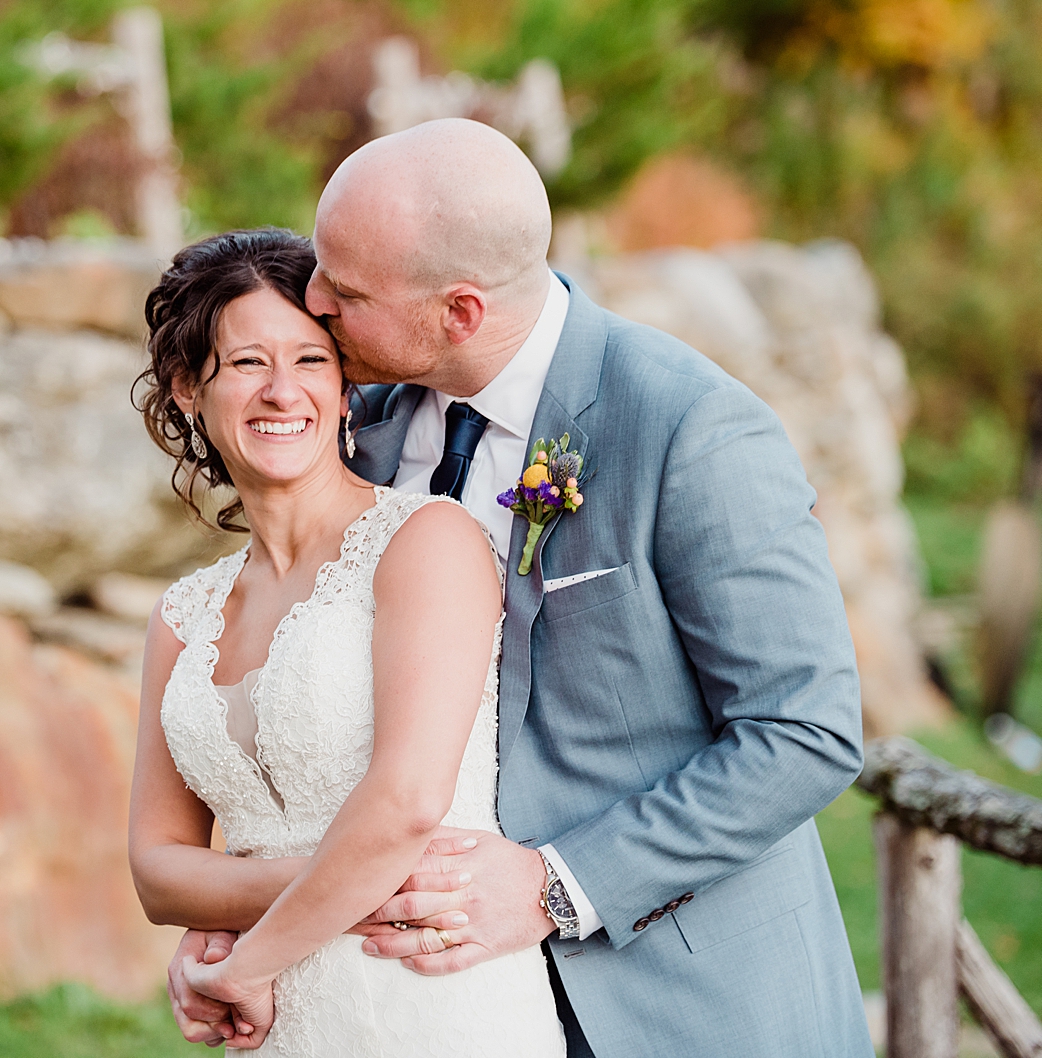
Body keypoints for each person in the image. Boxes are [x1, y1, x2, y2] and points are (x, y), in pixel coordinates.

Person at [163, 118, 875, 1057]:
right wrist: (251, 918)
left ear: (459, 312)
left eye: (346, 289)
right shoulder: (360, 424)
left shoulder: (688, 428)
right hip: (424, 999)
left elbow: (803, 732)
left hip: (684, 1002)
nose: (315, 300)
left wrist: (557, 885)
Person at [128, 226, 567, 1056]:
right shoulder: (182, 617)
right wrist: (351, 885)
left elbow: (407, 803)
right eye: (247, 362)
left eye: (310, 361)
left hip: (433, 1002)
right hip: (277, 1027)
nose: (281, 391)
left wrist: (244, 955)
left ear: (343, 390)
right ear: (188, 388)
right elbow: (155, 870)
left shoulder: (426, 542)